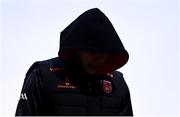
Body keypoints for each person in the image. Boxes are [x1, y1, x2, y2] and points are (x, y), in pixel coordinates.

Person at [15, 8, 133, 116]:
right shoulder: (43, 75)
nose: (98, 59)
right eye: (92, 51)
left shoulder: (117, 84)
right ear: (77, 48)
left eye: (104, 52)